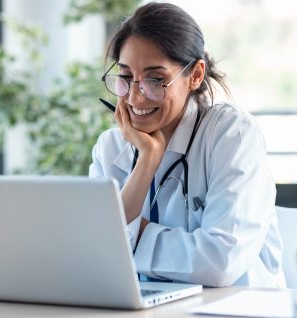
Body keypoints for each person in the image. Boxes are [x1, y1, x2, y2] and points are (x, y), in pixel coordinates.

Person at [89, 2, 286, 288]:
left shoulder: (230, 134)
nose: (135, 97)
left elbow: (220, 262)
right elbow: (95, 256)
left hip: (237, 307)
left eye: (156, 80)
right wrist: (146, 161)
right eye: (126, 77)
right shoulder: (111, 148)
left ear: (195, 75)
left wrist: (132, 237)